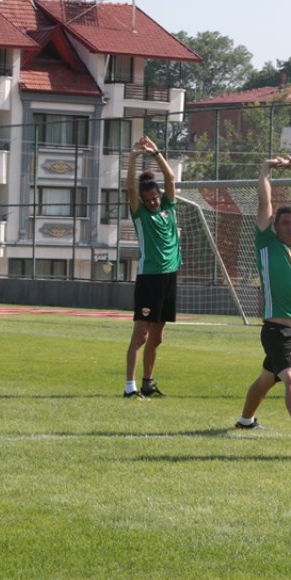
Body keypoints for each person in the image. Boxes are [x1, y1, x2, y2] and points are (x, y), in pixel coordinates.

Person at [233, 156, 291, 441]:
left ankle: (245, 420)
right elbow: (264, 203)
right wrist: (265, 169)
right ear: (275, 226)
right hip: (277, 330)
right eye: (285, 223)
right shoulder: (266, 241)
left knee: (265, 380)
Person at [123, 136, 179, 398]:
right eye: (149, 199)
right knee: (142, 334)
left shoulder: (168, 205)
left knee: (157, 337)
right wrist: (134, 156)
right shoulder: (140, 213)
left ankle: (148, 382)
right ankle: (129, 386)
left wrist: (156, 152)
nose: (153, 201)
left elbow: (170, 178)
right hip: (150, 278)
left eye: (155, 197)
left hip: (169, 277)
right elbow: (131, 189)